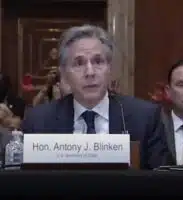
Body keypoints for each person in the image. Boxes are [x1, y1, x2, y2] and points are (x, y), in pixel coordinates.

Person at [21, 24, 173, 169]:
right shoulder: (39, 122)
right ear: (64, 73)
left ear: (110, 69)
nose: (90, 72)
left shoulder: (145, 117)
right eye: (79, 63)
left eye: (98, 61)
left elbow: (162, 183)